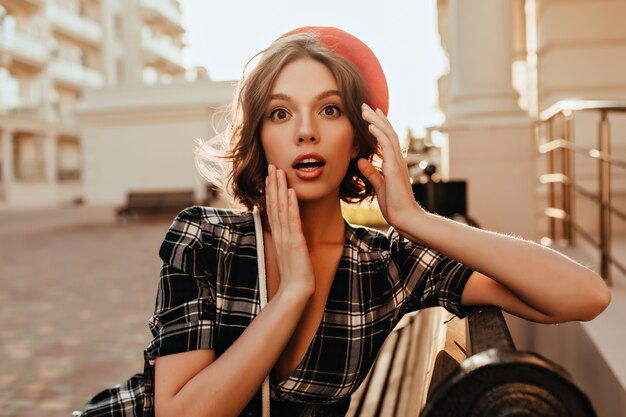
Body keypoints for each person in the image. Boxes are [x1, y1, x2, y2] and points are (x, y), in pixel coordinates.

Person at [75, 26, 611, 417]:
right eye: (280, 114)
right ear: (261, 138)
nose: (306, 131)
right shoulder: (205, 238)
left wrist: (414, 218)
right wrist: (291, 298)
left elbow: (585, 296)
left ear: (360, 136)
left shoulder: (385, 265)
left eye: (329, 110)